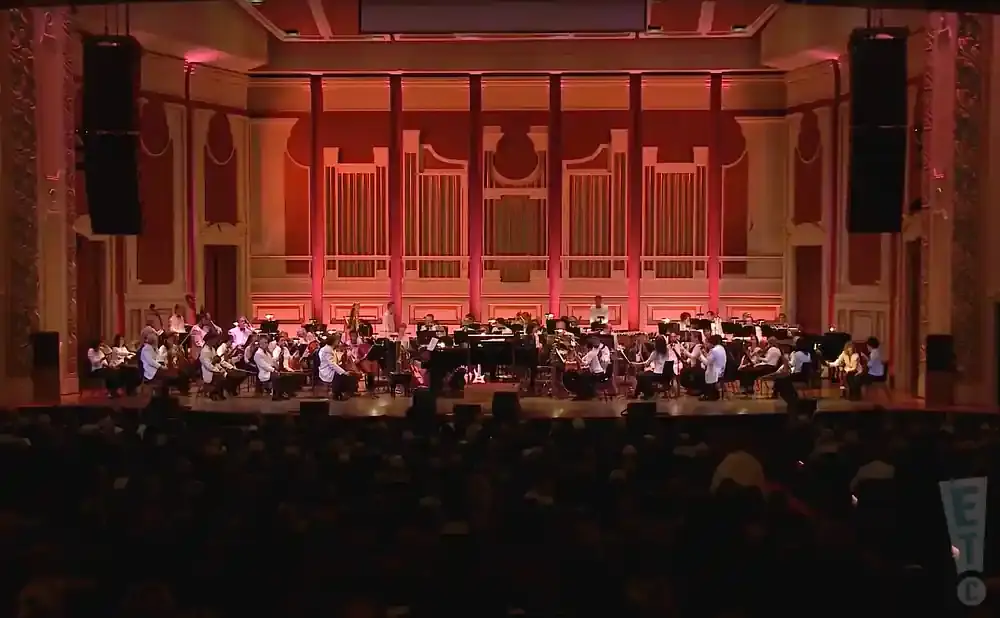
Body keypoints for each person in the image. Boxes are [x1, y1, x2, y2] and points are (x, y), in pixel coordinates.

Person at [699, 334, 727, 401]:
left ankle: (707, 394)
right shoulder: (721, 348)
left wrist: (700, 355)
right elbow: (711, 358)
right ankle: (711, 393)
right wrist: (705, 353)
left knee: (699, 373)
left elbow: (707, 362)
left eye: (707, 343)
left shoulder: (713, 350)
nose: (707, 344)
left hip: (715, 372)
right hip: (722, 370)